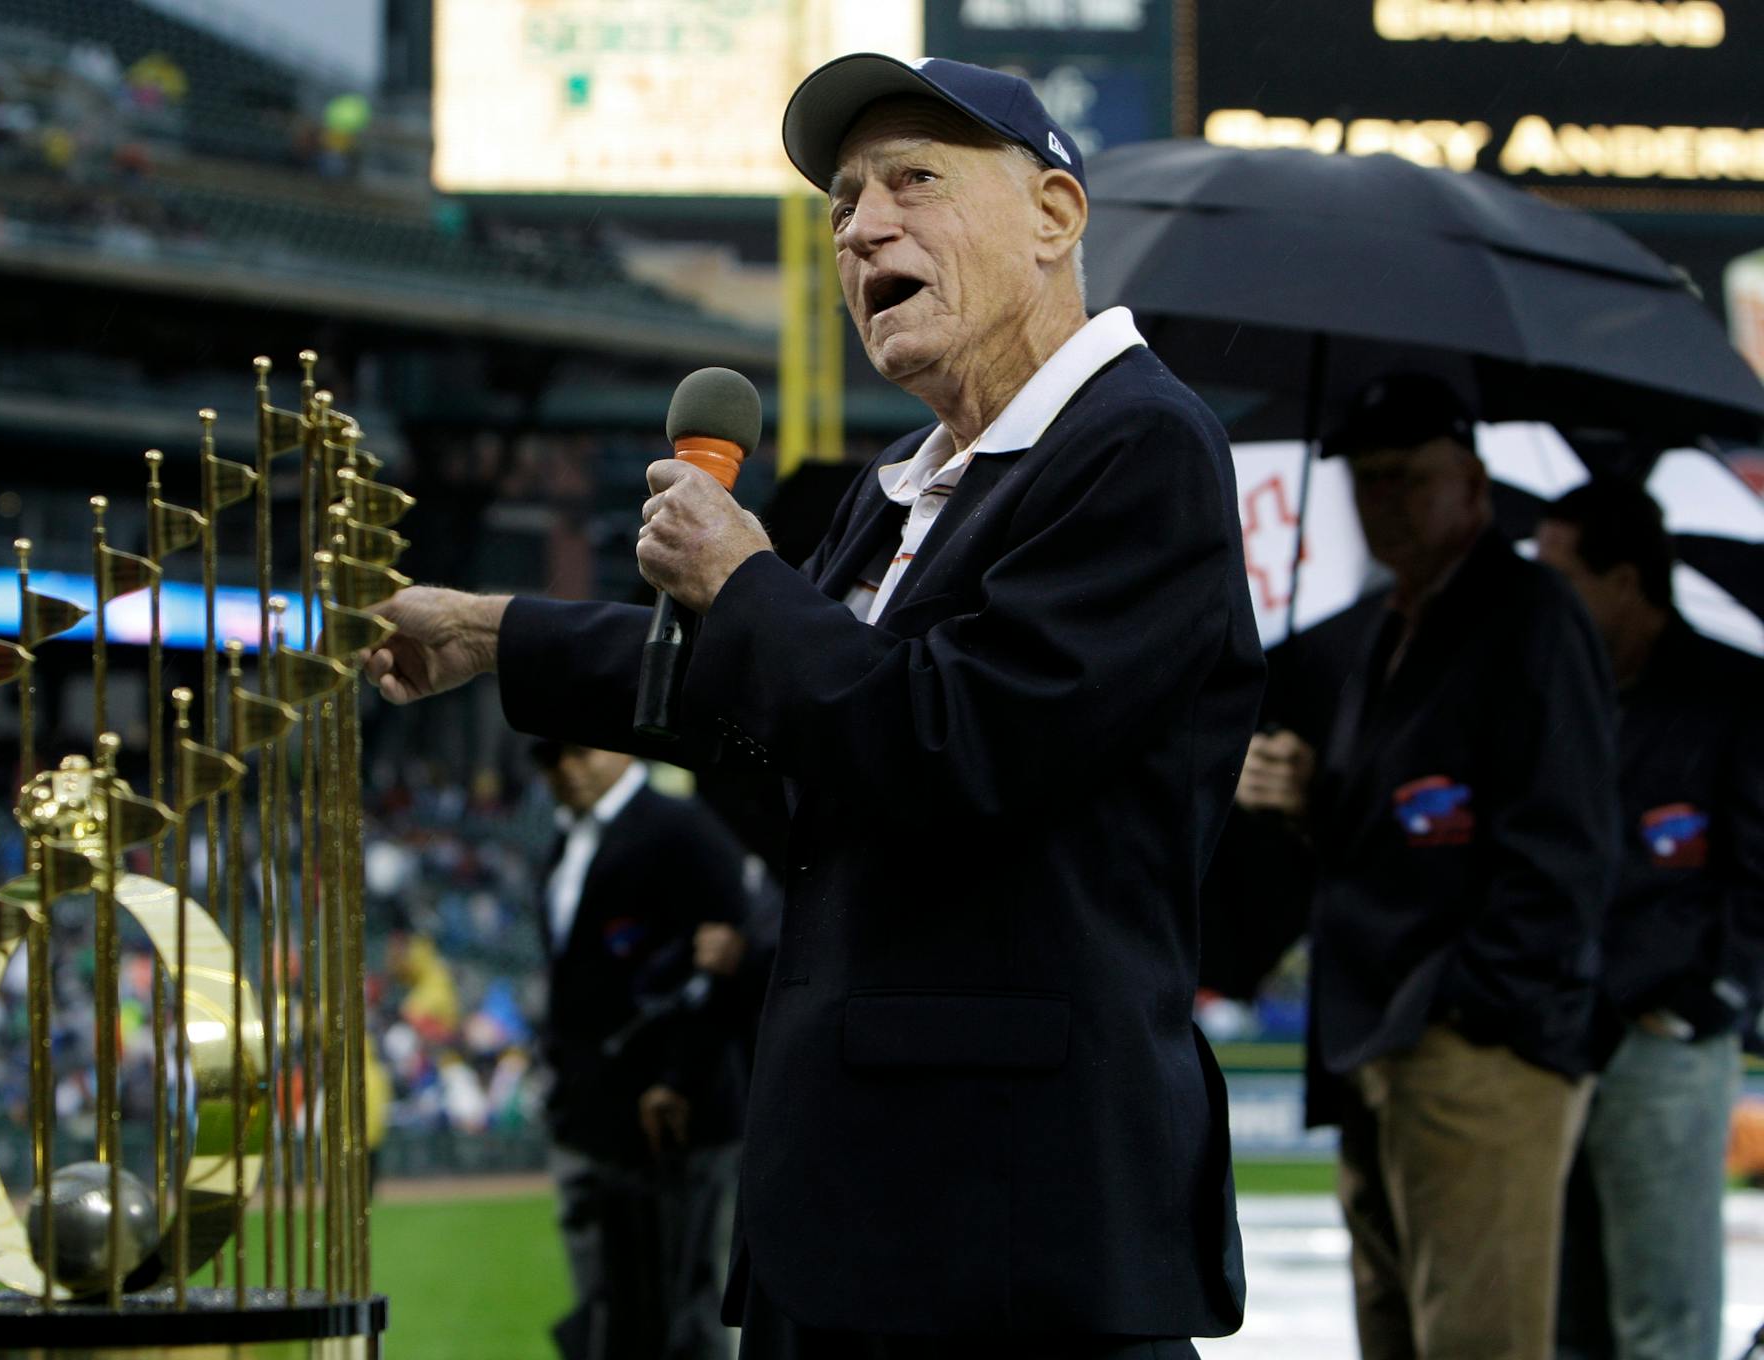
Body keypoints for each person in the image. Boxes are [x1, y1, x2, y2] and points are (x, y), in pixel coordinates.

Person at [366, 53, 1261, 1356]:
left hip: (1013, 1222)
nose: (861, 227)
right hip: (856, 1210)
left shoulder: (1139, 447)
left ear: (1056, 218)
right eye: (843, 200)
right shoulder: (902, 481)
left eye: (914, 182)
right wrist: (492, 632)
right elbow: (766, 700)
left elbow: (953, 741)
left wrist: (743, 581)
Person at [1237, 374, 1620, 1360]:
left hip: (1467, 1044)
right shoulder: (1387, 627)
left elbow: (1566, 849)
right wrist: (1310, 800)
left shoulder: (1529, 614)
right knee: (1399, 1334)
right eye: (1365, 480)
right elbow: (1397, 829)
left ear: (1475, 488)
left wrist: (1466, 1015)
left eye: (1408, 477)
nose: (1382, 502)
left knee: (1476, 1341)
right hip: (1380, 1037)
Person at [1535, 480, 1764, 1360]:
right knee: (1565, 1316)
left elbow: (1759, 873)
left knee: (1662, 1317)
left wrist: (1710, 997)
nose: (1541, 595)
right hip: (1556, 1036)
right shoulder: (1556, 687)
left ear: (1624, 580)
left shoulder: (1733, 694)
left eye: (1561, 574)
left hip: (1662, 1038)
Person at [531, 740, 752, 1360]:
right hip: (588, 1115)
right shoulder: (565, 841)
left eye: (577, 750)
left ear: (621, 746)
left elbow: (724, 965)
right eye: (548, 759)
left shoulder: (682, 829)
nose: (566, 769)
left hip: (676, 1118)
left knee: (690, 1308)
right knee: (606, 1308)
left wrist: (680, 1078)